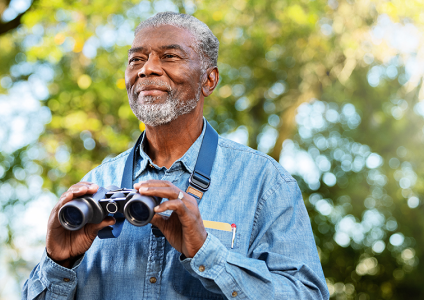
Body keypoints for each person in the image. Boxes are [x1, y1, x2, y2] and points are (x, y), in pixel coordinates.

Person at [23, 12, 328, 299]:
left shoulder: (264, 182)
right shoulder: (94, 185)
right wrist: (58, 263)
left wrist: (207, 253)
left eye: (169, 56)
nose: (147, 68)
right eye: (136, 59)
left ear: (209, 80)